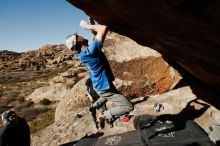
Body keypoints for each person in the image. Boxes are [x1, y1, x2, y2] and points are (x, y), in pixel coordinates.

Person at [66, 18, 133, 126]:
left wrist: (92, 26)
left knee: (110, 95)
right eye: (78, 36)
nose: (81, 36)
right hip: (103, 85)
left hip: (101, 84)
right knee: (128, 106)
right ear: (78, 41)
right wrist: (87, 27)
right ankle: (104, 115)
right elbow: (103, 29)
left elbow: (95, 37)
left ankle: (94, 106)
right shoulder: (90, 51)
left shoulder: (84, 52)